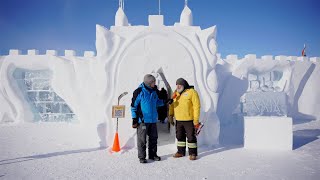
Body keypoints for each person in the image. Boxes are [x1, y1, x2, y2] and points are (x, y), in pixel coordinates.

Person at [131, 74, 164, 163]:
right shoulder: (139, 92)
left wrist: (164, 102)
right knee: (142, 140)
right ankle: (142, 157)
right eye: (153, 82)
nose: (155, 83)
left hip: (153, 120)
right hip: (143, 121)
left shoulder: (154, 91)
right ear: (149, 83)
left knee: (154, 138)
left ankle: (153, 155)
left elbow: (156, 102)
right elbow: (133, 106)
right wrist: (134, 119)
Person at [168, 78, 201, 160]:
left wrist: (196, 120)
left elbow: (197, 106)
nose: (178, 86)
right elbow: (172, 104)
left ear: (184, 85)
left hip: (189, 120)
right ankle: (180, 152)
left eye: (180, 84)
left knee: (191, 137)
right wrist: (170, 115)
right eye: (177, 85)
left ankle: (193, 153)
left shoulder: (192, 92)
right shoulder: (175, 93)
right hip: (178, 120)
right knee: (179, 136)